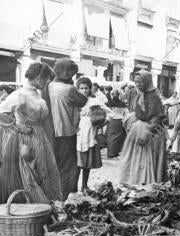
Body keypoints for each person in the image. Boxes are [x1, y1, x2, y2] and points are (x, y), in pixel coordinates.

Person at [0, 62, 63, 203]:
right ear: (39, 77)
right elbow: (1, 113)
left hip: (41, 138)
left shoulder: (38, 94)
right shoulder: (20, 95)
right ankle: (34, 205)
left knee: (45, 171)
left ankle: (47, 207)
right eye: (46, 78)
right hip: (25, 140)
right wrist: (17, 127)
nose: (48, 82)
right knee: (31, 173)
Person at [42, 58, 88, 199]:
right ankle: (60, 198)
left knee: (52, 166)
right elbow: (83, 100)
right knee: (67, 168)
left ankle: (50, 196)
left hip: (48, 133)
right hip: (66, 134)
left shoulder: (47, 86)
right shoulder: (69, 89)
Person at [120, 70, 167, 185]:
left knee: (151, 158)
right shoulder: (142, 95)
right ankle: (137, 181)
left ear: (146, 82)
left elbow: (155, 119)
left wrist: (146, 134)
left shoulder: (153, 97)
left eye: (140, 82)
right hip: (141, 129)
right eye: (136, 82)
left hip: (152, 133)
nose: (137, 85)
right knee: (136, 158)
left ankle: (150, 183)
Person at [74, 77, 103, 192]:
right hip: (77, 133)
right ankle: (74, 186)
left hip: (90, 133)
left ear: (90, 89)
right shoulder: (75, 101)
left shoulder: (94, 101)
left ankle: (84, 185)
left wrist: (98, 122)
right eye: (81, 88)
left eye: (86, 88)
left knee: (87, 162)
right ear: (78, 89)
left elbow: (108, 114)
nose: (84, 90)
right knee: (77, 163)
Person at [106, 90, 128, 158]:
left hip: (111, 121)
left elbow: (106, 113)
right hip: (119, 122)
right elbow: (126, 113)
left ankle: (110, 153)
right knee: (118, 138)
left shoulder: (109, 103)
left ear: (112, 95)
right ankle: (115, 152)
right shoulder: (122, 104)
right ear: (119, 95)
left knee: (110, 138)